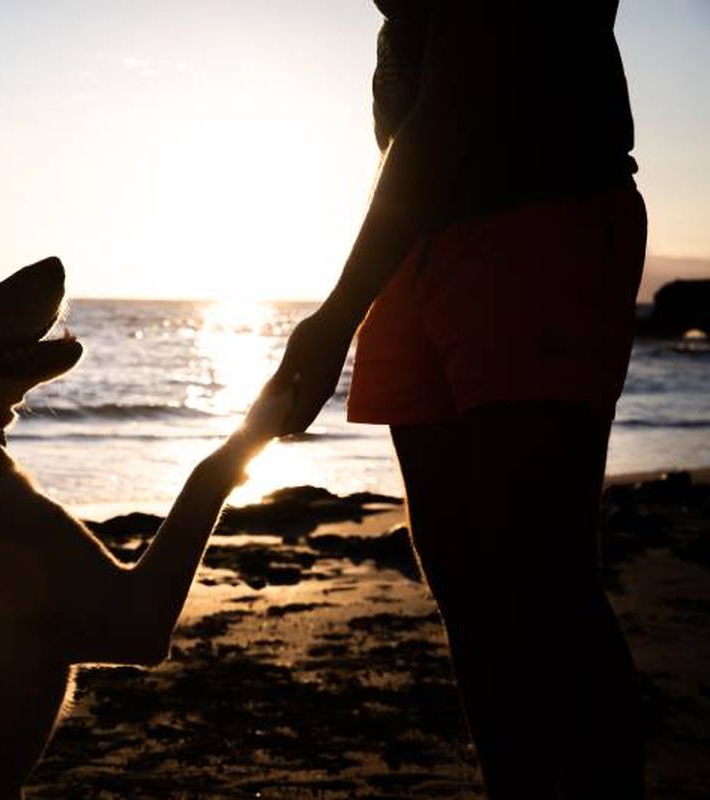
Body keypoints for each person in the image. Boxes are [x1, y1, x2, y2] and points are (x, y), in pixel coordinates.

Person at [261, 2, 646, 798]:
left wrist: (338, 316)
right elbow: (419, 121)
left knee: (540, 571)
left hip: (537, 213)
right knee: (463, 577)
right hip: (416, 235)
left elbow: (453, 101)